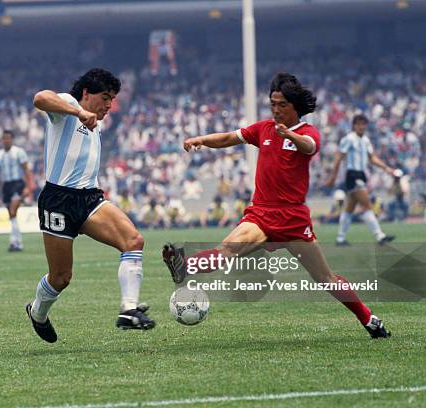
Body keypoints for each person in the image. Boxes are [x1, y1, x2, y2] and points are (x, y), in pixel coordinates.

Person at [163, 73, 390, 339]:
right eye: (273, 103)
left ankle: (369, 320)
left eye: (282, 104)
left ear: (295, 107)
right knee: (226, 249)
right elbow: (228, 138)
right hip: (260, 214)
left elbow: (309, 147)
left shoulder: (307, 133)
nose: (276, 109)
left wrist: (290, 136)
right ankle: (183, 265)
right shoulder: (263, 129)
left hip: (293, 219)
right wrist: (201, 139)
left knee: (326, 279)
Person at [26, 68, 155, 343]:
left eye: (112, 99)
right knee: (61, 277)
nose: (109, 105)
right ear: (86, 93)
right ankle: (37, 313)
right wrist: (78, 112)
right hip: (58, 199)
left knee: (133, 241)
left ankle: (129, 309)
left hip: (89, 199)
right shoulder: (68, 105)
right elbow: (40, 98)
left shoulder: (97, 123)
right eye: (105, 97)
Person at [325, 114, 397, 246]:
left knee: (349, 208)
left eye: (363, 124)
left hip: (361, 174)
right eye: (358, 124)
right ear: (354, 125)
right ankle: (380, 236)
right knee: (366, 204)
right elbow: (338, 158)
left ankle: (340, 239)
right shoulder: (348, 139)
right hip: (352, 175)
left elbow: (372, 158)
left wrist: (387, 168)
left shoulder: (366, 140)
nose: (361, 126)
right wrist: (333, 177)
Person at [0, 130, 34, 251]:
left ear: (12, 139)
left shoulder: (19, 152)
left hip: (18, 184)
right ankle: (17, 242)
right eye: (4, 138)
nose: (6, 140)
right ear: (1, 140)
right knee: (11, 214)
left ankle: (15, 241)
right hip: (6, 186)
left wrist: (29, 187)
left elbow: (26, 170)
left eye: (8, 138)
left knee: (13, 210)